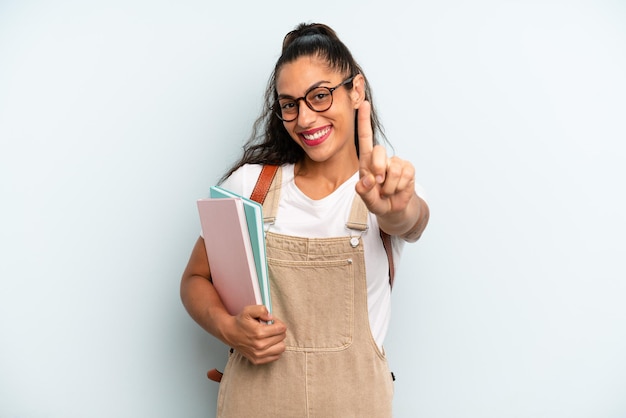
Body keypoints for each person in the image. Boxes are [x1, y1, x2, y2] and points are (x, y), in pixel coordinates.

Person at [180, 22, 429, 418]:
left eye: (320, 96)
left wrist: (396, 209)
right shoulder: (251, 187)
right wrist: (231, 331)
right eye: (291, 104)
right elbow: (194, 279)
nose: (305, 118)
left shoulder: (383, 188)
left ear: (356, 90)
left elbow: (410, 221)